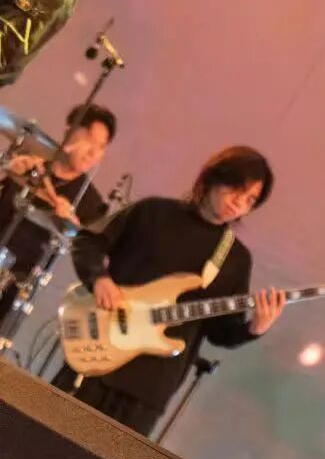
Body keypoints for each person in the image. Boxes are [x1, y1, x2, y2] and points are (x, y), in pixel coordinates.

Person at [52, 146, 286, 436]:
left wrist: (254, 328)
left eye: (250, 200)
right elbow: (87, 241)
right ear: (214, 178)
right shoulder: (153, 212)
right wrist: (99, 279)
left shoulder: (235, 259)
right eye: (237, 189)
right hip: (97, 357)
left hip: (149, 389)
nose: (239, 203)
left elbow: (220, 331)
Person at [0, 101, 115, 311]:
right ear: (70, 131)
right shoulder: (32, 157)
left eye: (101, 147)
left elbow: (86, 254)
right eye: (89, 140)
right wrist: (7, 168)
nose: (93, 153)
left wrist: (72, 227)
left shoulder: (91, 205)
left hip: (12, 285)